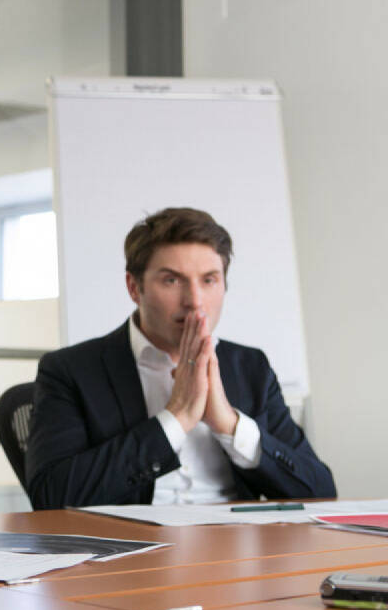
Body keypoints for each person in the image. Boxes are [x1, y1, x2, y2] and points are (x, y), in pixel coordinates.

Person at [25, 207, 335, 509]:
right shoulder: (70, 370)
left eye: (209, 280)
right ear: (135, 288)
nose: (194, 301)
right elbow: (51, 496)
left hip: (238, 548)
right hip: (134, 552)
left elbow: (320, 491)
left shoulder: (250, 367)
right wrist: (176, 418)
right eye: (172, 280)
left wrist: (229, 424)